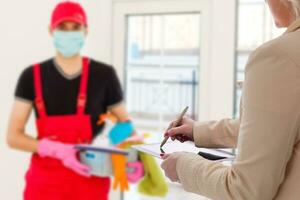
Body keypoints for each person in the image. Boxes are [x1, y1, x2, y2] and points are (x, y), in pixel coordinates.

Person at [161, 0, 300, 199]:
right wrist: (198, 131)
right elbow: (277, 129)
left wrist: (183, 167)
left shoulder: (280, 55)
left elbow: (245, 191)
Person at [6, 1, 132, 199]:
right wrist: (52, 148)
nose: (69, 33)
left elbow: (126, 125)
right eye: (62, 28)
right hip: (44, 187)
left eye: (75, 27)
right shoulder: (32, 76)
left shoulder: (104, 75)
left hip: (91, 185)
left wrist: (115, 152)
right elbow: (13, 136)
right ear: (51, 30)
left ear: (85, 30)